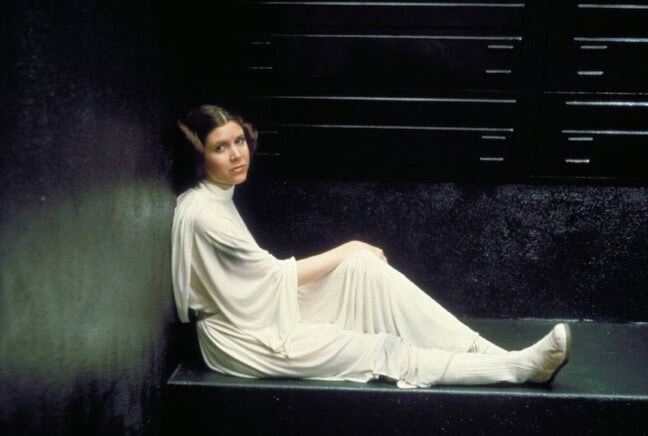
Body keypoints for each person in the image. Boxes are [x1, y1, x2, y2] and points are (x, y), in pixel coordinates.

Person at [171, 104, 571, 388]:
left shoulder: (213, 198)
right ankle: (517, 370)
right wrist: (350, 247)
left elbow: (255, 284)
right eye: (220, 148)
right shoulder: (205, 215)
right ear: (200, 157)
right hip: (242, 338)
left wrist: (354, 256)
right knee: (380, 349)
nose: (237, 155)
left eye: (239, 141)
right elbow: (271, 277)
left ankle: (492, 352)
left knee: (362, 268)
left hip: (256, 312)